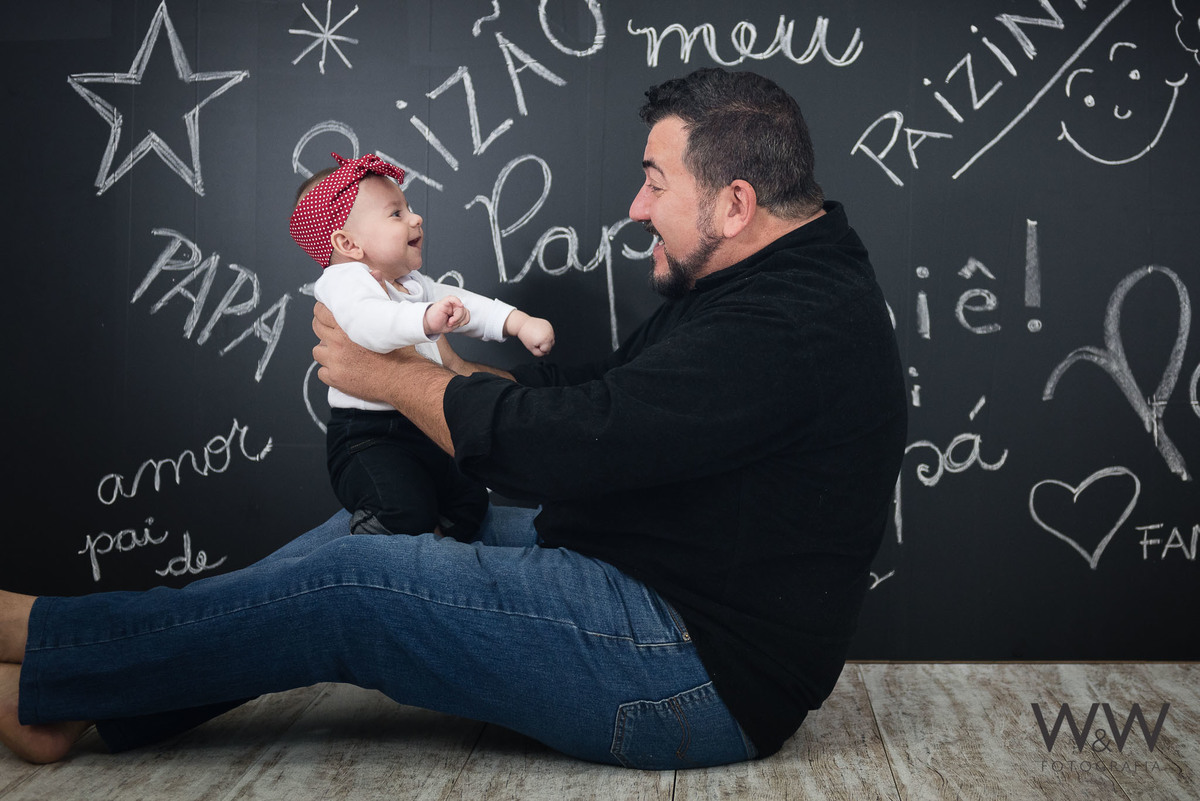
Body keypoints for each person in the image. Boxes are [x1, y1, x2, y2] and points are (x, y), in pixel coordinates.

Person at [0, 67, 906, 768]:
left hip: (688, 671)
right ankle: (84, 692)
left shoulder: (790, 324)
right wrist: (439, 363)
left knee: (358, 587)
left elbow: (567, 450)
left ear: (735, 201)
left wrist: (382, 376)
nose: (635, 209)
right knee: (387, 522)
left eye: (655, 184)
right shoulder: (765, 281)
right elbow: (608, 404)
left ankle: (45, 643)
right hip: (644, 558)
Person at [291, 152, 555, 539]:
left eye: (410, 208)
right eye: (396, 213)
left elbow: (466, 304)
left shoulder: (415, 285)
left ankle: (443, 546)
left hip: (423, 420)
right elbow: (369, 326)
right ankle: (372, 539)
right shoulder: (344, 281)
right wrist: (425, 320)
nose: (415, 218)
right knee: (401, 505)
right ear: (347, 242)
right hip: (369, 437)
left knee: (471, 499)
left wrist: (517, 322)